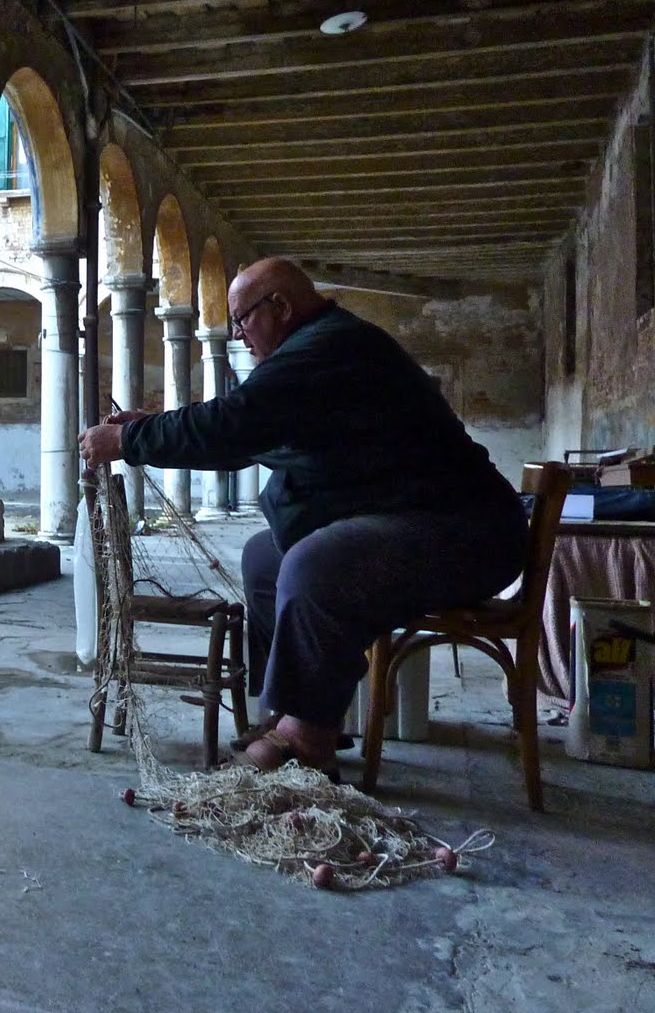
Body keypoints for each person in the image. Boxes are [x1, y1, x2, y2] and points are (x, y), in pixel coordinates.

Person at [77, 257, 526, 778]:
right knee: (264, 558)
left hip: (466, 533)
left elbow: (232, 425)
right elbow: (247, 433)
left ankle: (307, 741)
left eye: (242, 320)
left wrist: (129, 440)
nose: (238, 335)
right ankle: (292, 710)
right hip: (427, 521)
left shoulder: (326, 349)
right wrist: (150, 426)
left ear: (281, 306)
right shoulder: (314, 353)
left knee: (316, 565)